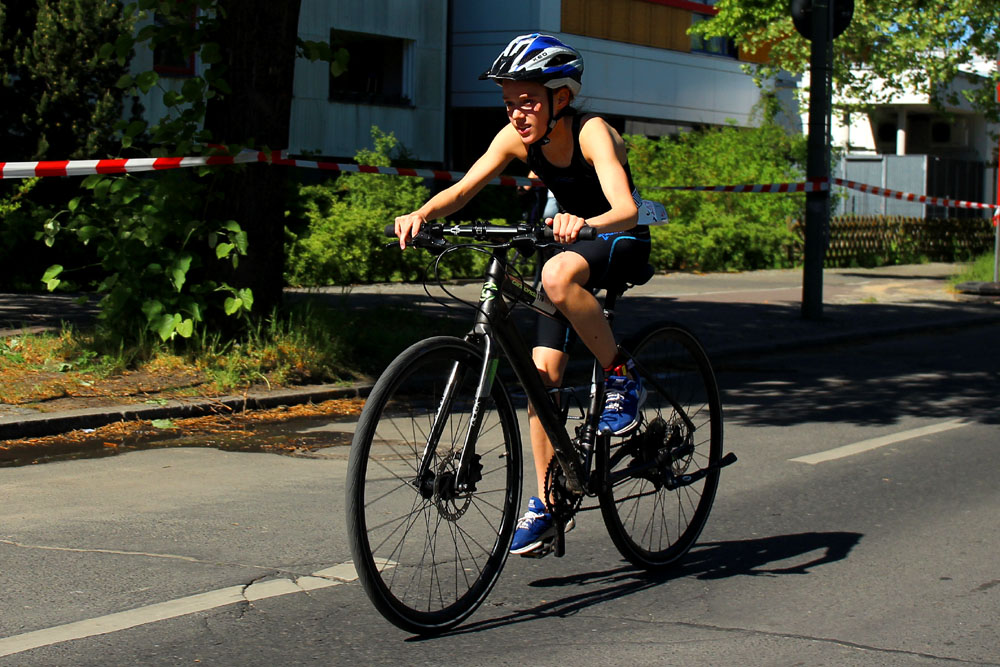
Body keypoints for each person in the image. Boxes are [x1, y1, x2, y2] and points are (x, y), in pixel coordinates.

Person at [394, 33, 651, 556]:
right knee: (540, 378)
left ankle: (622, 374)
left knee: (556, 275)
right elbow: (464, 189)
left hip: (617, 236)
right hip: (565, 245)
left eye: (528, 101)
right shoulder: (515, 138)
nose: (517, 113)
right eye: (509, 102)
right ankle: (550, 502)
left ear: (562, 97)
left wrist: (584, 222)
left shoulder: (592, 131)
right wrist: (422, 213)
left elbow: (626, 209)